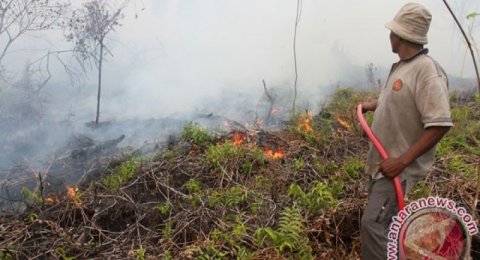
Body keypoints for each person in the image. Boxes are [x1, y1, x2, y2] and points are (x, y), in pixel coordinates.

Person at [359, 2, 452, 259]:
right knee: (386, 227)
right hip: (383, 164)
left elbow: (440, 123)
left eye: (392, 31)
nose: (389, 35)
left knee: (374, 225)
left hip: (397, 169)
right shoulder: (402, 67)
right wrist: (373, 105)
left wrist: (402, 161)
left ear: (400, 35)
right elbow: (401, 99)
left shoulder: (427, 71)